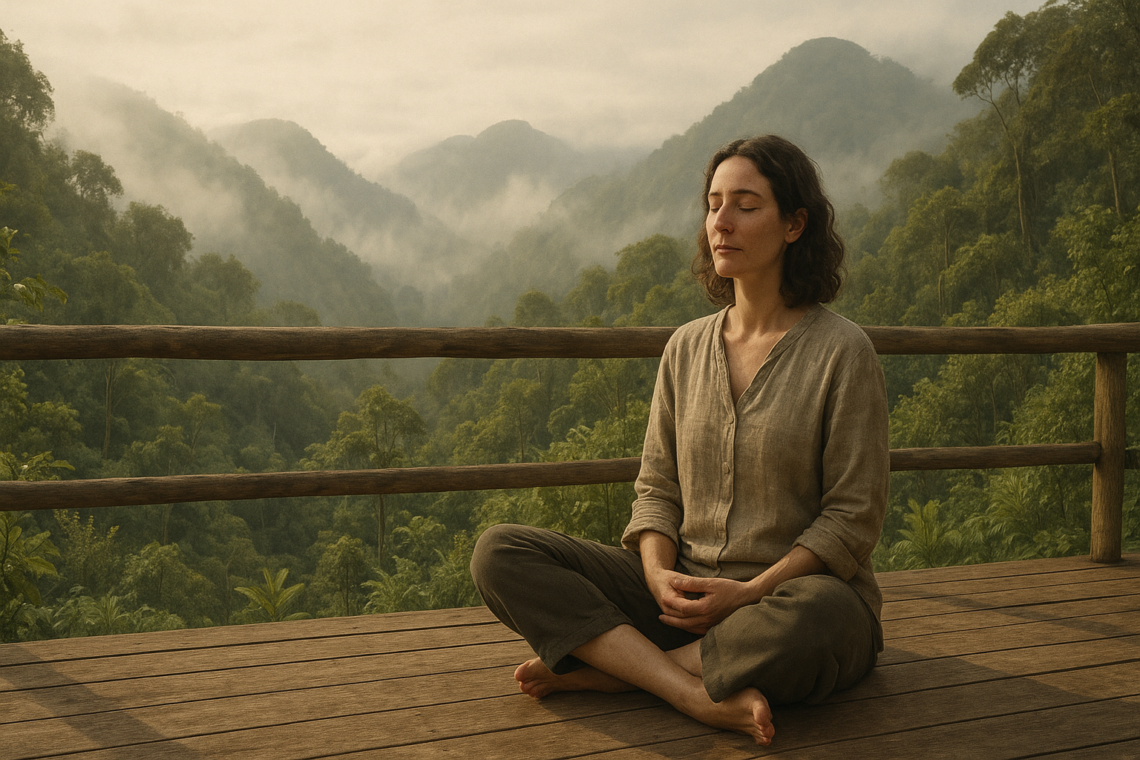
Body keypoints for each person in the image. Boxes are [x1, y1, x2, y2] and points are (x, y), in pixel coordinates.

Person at [470, 134, 889, 746]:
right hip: (680, 598)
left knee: (825, 616)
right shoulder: (687, 347)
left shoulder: (842, 352)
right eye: (714, 204)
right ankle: (690, 689)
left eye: (746, 205)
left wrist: (746, 593)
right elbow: (657, 489)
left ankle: (622, 673)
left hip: (784, 603)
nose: (721, 222)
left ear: (795, 224)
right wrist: (659, 574)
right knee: (500, 551)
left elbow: (852, 518)